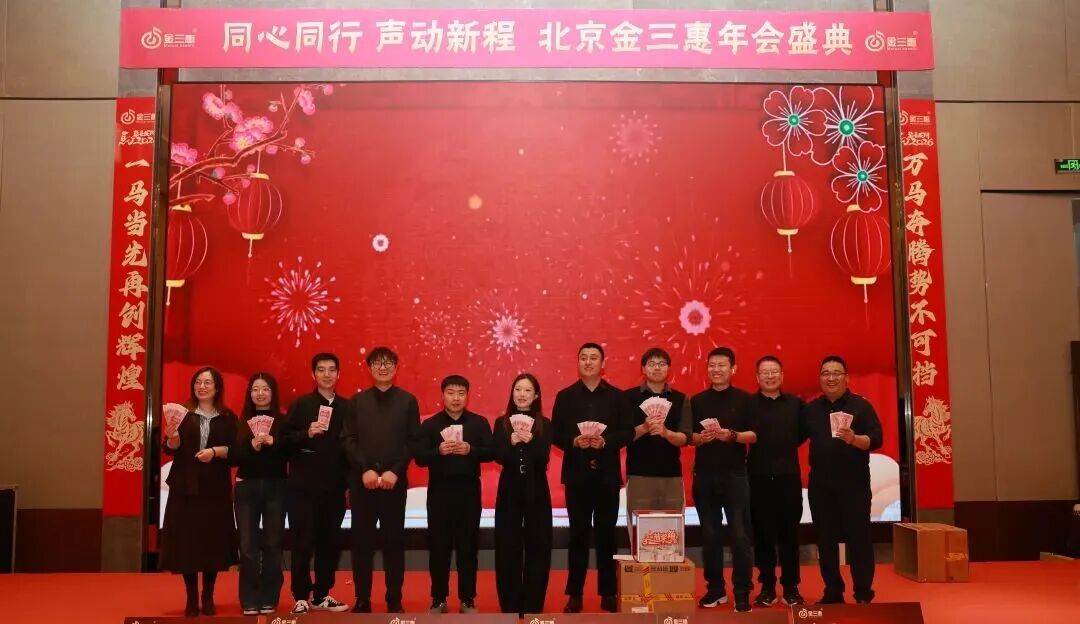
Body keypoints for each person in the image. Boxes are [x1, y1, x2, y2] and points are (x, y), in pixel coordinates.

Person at [551, 342, 630, 613]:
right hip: (577, 476)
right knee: (578, 536)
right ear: (578, 363)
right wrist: (573, 441)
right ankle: (574, 594)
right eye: (583, 357)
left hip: (607, 476)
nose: (588, 362)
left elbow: (627, 432)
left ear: (602, 364)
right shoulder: (565, 396)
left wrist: (606, 441)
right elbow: (555, 433)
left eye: (593, 358)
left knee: (607, 535)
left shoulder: (617, 397)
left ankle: (608, 592)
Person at [342, 347, 421, 614]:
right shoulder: (357, 401)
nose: (383, 367)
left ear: (396, 367)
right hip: (362, 483)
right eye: (377, 363)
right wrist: (364, 469)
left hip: (393, 483)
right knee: (361, 543)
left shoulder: (408, 401)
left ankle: (394, 598)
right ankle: (362, 599)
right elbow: (348, 439)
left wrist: (395, 471)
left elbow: (413, 441)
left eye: (388, 363)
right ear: (369, 368)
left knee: (393, 543)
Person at [803, 356, 883, 605]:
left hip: (854, 484)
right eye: (825, 373)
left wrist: (854, 439)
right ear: (820, 378)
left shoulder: (861, 406)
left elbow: (876, 439)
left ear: (846, 378)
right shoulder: (811, 409)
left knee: (859, 539)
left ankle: (863, 593)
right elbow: (793, 437)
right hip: (821, 485)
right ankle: (833, 592)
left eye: (836, 373)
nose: (831, 378)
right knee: (825, 540)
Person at [160, 366, 239, 617]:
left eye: (207, 382)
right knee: (188, 542)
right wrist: (172, 437)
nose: (202, 387)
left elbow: (236, 452)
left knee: (212, 541)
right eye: (198, 382)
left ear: (217, 388)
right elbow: (170, 448)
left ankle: (208, 595)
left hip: (215, 487)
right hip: (185, 486)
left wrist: (215, 452)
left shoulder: (228, 417)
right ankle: (192, 596)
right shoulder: (183, 414)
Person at [413, 375, 494, 614]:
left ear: (467, 396)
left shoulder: (478, 423)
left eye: (461, 393)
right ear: (443, 395)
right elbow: (419, 458)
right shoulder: (430, 425)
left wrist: (471, 449)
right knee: (439, 547)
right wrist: (438, 451)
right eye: (451, 393)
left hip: (469, 493)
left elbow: (492, 452)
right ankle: (438, 598)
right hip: (439, 494)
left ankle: (467, 599)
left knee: (468, 547)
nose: (456, 398)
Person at [281, 353, 350, 614]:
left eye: (332, 370)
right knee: (302, 542)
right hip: (303, 488)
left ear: (338, 374)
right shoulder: (301, 405)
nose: (327, 375)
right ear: (313, 374)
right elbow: (283, 442)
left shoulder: (347, 408)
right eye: (321, 370)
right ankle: (300, 595)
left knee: (329, 543)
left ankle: (322, 594)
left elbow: (352, 444)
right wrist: (306, 433)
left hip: (334, 487)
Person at [690, 347, 756, 613]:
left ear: (733, 369)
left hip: (735, 475)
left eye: (721, 365)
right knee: (710, 535)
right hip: (704, 475)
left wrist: (732, 435)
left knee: (740, 535)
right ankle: (715, 589)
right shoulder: (697, 400)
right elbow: (689, 436)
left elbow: (754, 435)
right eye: (712, 365)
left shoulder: (745, 399)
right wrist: (701, 438)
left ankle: (742, 592)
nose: (716, 370)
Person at [747, 356, 805, 608]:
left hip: (788, 477)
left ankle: (791, 588)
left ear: (782, 375)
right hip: (757, 478)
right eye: (765, 372)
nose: (770, 376)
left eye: (774, 372)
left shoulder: (796, 405)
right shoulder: (748, 405)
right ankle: (767, 587)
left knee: (789, 535)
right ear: (757, 377)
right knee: (762, 535)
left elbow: (801, 435)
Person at [493, 373, 553, 617]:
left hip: (537, 489)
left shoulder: (544, 424)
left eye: (528, 390)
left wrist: (530, 442)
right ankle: (510, 603)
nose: (522, 394)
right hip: (508, 489)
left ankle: (532, 603)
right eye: (518, 389)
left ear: (536, 395)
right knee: (507, 545)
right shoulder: (501, 423)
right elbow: (498, 456)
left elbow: (543, 458)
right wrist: (510, 442)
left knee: (539, 544)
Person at [232, 372, 289, 616]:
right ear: (250, 393)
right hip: (247, 487)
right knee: (247, 545)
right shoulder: (241, 421)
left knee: (273, 543)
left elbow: (290, 452)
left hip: (277, 487)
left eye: (265, 389)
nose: (260, 393)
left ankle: (270, 597)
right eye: (255, 389)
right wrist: (250, 446)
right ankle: (249, 598)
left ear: (273, 393)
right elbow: (234, 457)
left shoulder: (283, 421)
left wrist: (274, 442)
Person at [623, 347, 692, 515]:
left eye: (661, 364)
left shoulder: (681, 399)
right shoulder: (628, 397)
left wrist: (666, 433)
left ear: (669, 369)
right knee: (641, 528)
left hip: (671, 475)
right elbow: (623, 436)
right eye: (651, 364)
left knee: (671, 528)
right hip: (638, 475)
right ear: (643, 369)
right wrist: (644, 428)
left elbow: (685, 438)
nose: (656, 368)